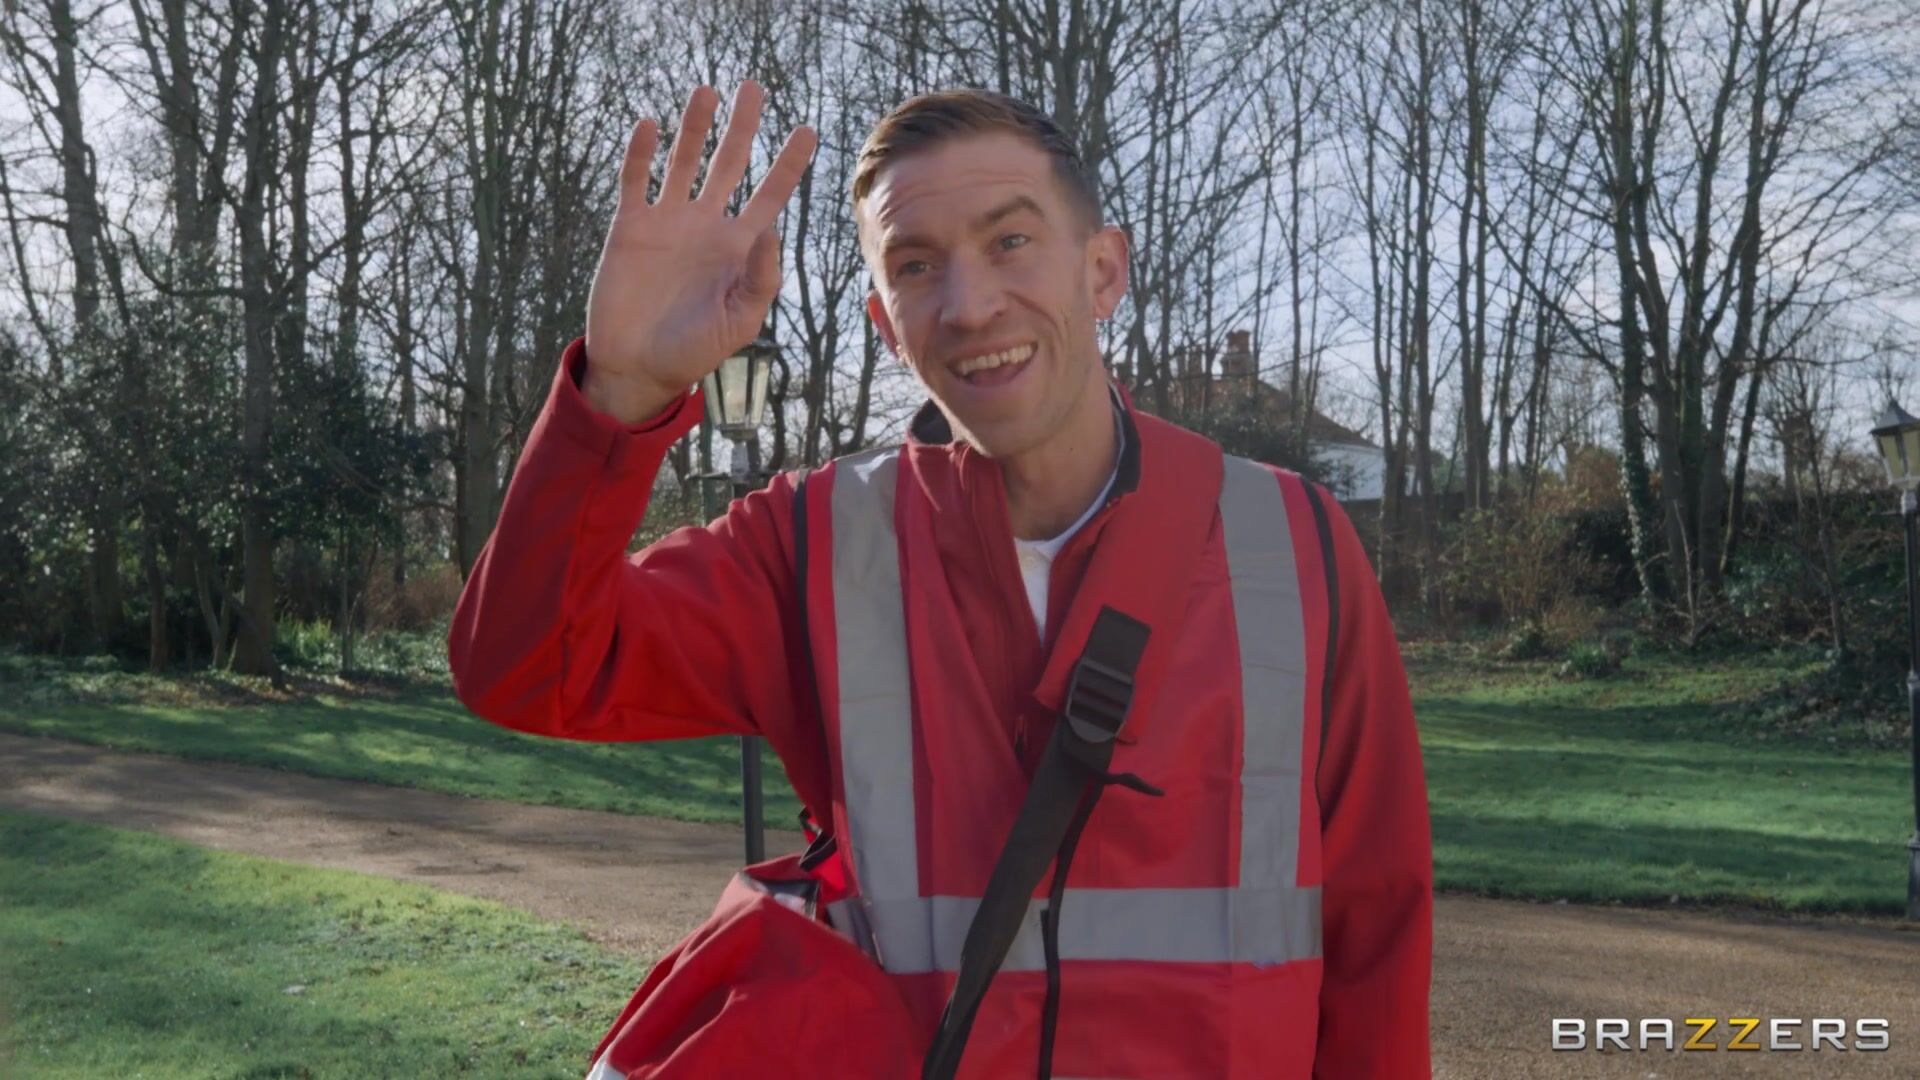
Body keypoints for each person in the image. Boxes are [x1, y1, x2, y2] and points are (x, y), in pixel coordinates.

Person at [449, 79, 1432, 1078]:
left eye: (1011, 241)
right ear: (886, 324)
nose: (968, 305)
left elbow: (1377, 937)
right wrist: (619, 393)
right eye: (917, 266)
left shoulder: (1293, 545)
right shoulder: (813, 544)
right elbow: (527, 669)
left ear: (1103, 271)